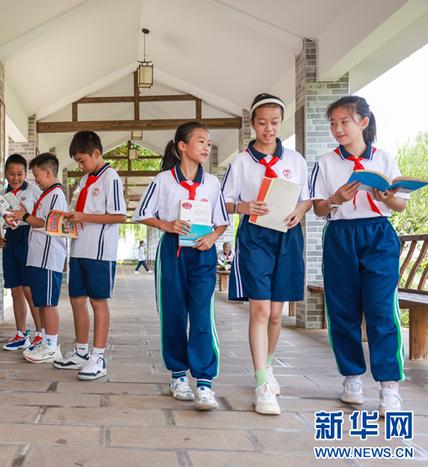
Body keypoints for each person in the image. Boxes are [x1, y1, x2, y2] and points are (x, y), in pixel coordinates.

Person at [310, 95, 407, 416]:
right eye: (334, 123)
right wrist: (335, 198)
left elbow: (400, 204)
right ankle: (352, 378)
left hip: (379, 235)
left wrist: (387, 196)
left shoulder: (383, 159)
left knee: (380, 309)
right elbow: (319, 208)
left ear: (363, 123)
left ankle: (389, 387)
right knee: (342, 310)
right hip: (341, 236)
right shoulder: (325, 162)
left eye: (345, 122)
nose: (338, 129)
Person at [221, 93, 312, 415]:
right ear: (252, 124)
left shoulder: (295, 161)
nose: (268, 129)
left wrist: (300, 212)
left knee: (276, 313)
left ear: (280, 123)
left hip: (287, 237)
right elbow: (225, 203)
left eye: (274, 122)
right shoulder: (242, 162)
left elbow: (306, 199)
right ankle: (261, 383)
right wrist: (243, 207)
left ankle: (268, 366)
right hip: (255, 236)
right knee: (259, 309)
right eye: (262, 123)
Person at [134, 121, 229, 410]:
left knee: (202, 315)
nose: (206, 146)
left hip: (203, 254)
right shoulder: (163, 181)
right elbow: (142, 214)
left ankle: (204, 382)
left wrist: (212, 238)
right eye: (200, 141)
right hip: (172, 253)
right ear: (182, 146)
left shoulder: (212, 183)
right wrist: (167, 224)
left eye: (209, 142)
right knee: (174, 313)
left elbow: (222, 221)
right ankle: (178, 376)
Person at [52, 131, 127, 381]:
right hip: (79, 249)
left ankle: (98, 356)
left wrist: (84, 217)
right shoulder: (85, 180)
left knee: (98, 301)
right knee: (76, 299)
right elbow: (82, 211)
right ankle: (81, 352)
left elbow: (119, 216)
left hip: (99, 252)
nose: (79, 164)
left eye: (82, 159)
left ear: (97, 154)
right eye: (76, 161)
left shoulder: (110, 178)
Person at [12, 153, 68, 364]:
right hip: (38, 256)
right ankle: (46, 341)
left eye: (37, 175)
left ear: (48, 172)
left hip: (48, 256)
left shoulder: (56, 195)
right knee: (42, 302)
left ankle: (52, 347)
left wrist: (24, 217)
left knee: (48, 303)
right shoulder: (47, 194)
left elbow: (46, 223)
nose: (35, 180)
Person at [0, 154, 43, 350]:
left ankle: (41, 333)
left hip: (28, 238)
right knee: (15, 289)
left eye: (20, 174)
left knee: (29, 289)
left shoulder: (34, 191)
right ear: (5, 174)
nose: (15, 177)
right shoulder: (2, 196)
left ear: (26, 173)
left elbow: (43, 214)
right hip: (11, 239)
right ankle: (21, 334)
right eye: (11, 174)